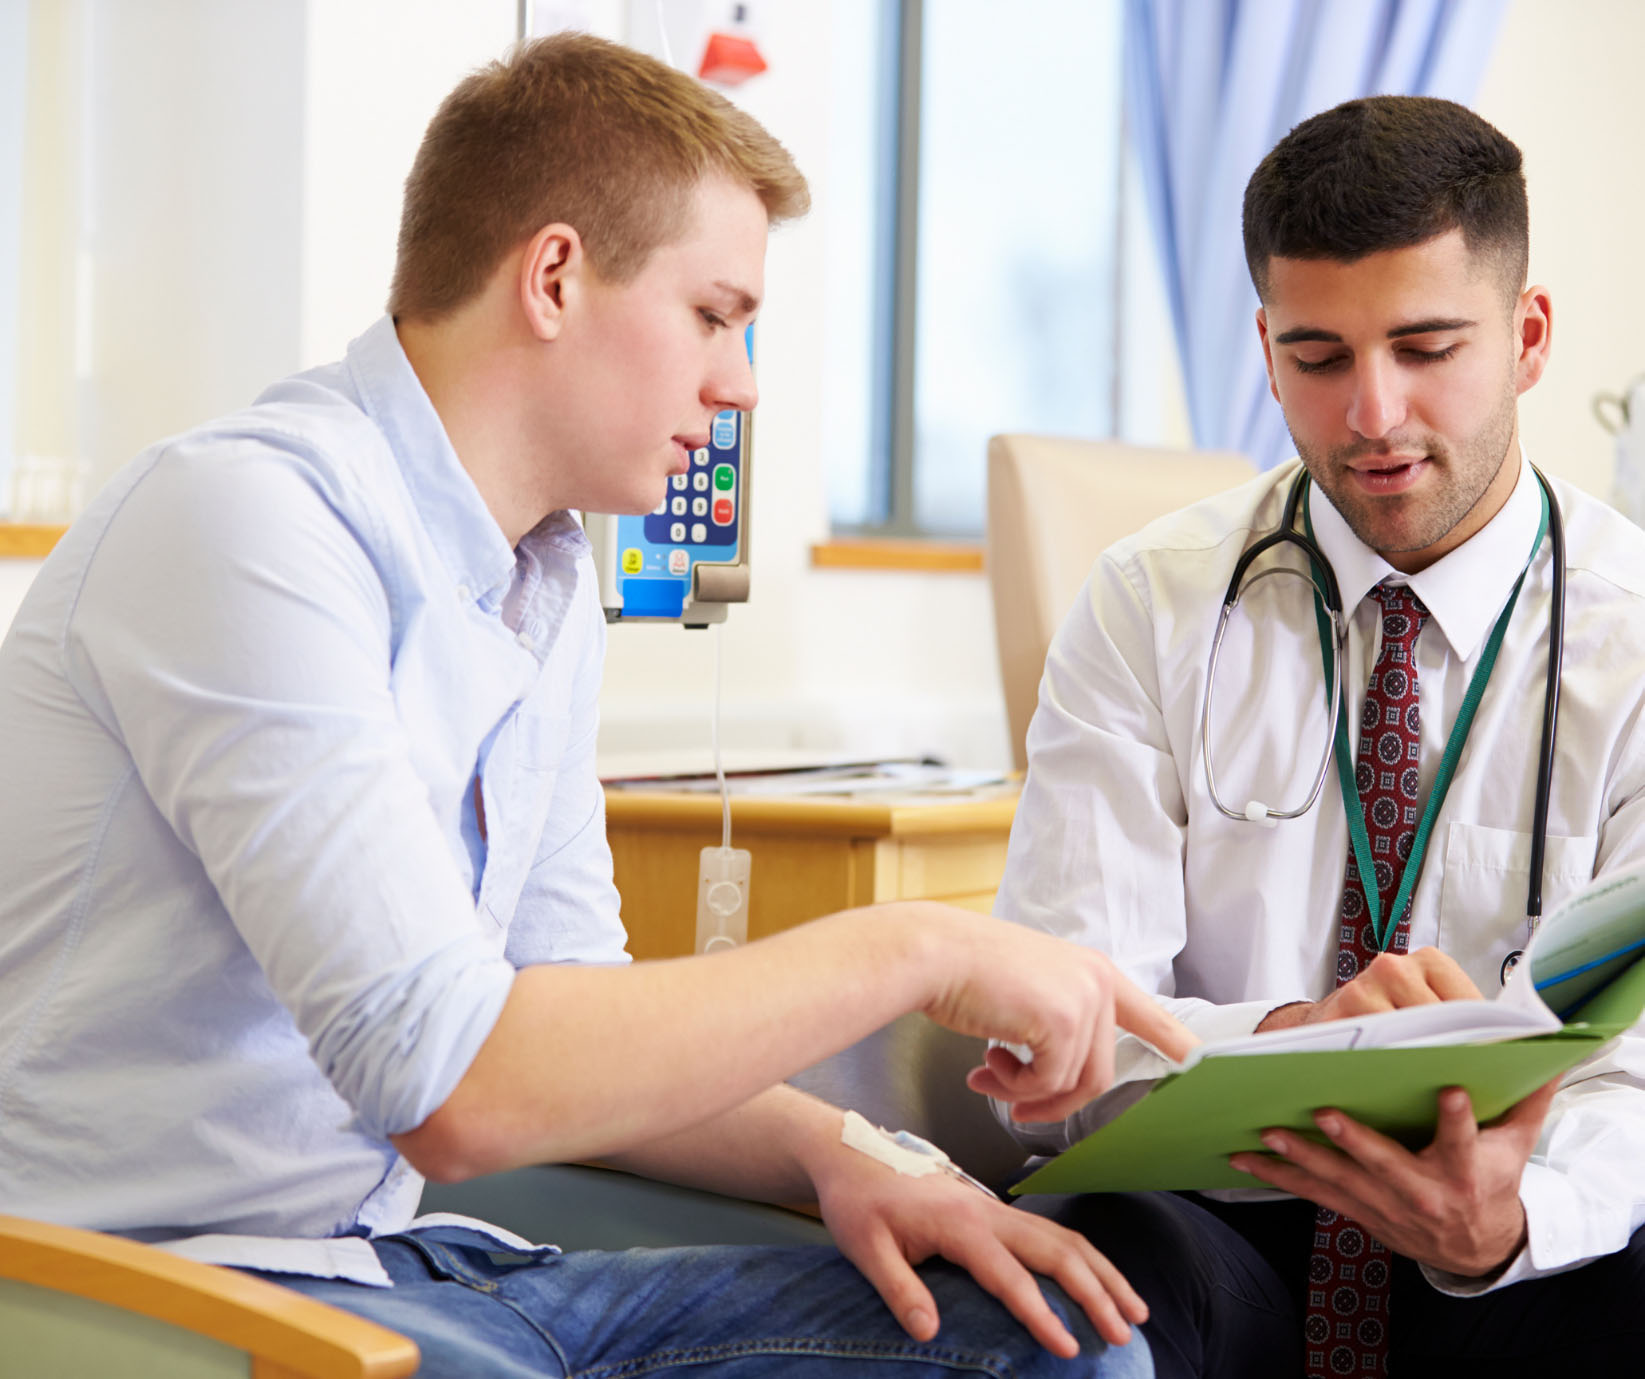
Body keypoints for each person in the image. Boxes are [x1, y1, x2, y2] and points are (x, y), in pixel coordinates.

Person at [0, 33, 1189, 1379]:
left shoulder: (544, 578)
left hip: (405, 1268)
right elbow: (456, 1087)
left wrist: (847, 1150)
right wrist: (915, 946)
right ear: (555, 275)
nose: (740, 380)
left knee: (1050, 1340)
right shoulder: (245, 521)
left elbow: (568, 1015)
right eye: (715, 314)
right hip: (149, 1287)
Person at [993, 95, 1645, 1379]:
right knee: (1055, 1256)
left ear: (1528, 337)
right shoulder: (1148, 602)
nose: (1370, 413)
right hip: (1225, 1229)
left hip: (1536, 1233)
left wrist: (1501, 1222)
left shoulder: (1635, 635)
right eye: (1318, 357)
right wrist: (1296, 1043)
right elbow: (1062, 1034)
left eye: (1423, 345)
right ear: (1263, 344)